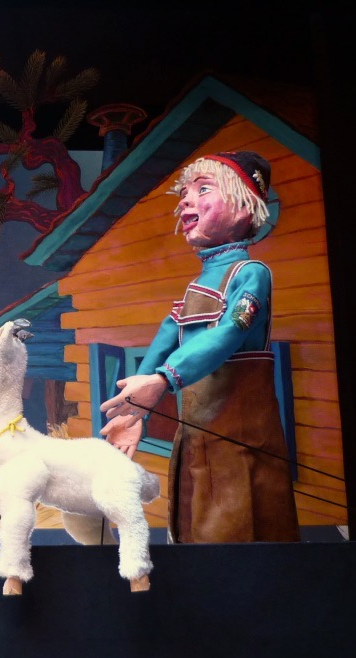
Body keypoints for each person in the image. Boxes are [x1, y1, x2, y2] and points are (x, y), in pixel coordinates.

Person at [99, 150, 300, 544]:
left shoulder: (250, 274)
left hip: (241, 442)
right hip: (197, 439)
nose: (185, 201)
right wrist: (135, 410)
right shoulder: (197, 286)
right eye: (184, 193)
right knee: (192, 526)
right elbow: (166, 337)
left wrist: (163, 379)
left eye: (203, 189)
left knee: (240, 528)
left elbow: (228, 333)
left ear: (244, 207)